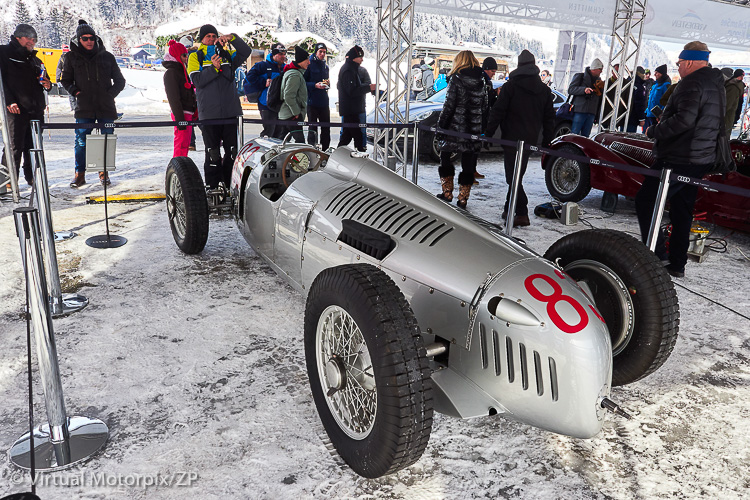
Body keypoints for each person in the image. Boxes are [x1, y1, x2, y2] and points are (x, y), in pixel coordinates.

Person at [635, 41, 724, 278]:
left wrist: (654, 131)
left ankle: (656, 257)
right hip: (701, 156)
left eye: (680, 63)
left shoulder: (692, 82)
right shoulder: (716, 83)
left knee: (646, 201)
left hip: (679, 156)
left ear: (692, 61)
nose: (679, 67)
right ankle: (677, 263)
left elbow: (684, 121)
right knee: (682, 209)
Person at [485, 49, 554, 227]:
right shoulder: (544, 90)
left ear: (519, 65)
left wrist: (489, 133)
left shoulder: (510, 87)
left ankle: (522, 213)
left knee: (512, 178)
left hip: (511, 138)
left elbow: (498, 111)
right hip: (530, 139)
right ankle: (509, 208)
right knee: (517, 176)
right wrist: (547, 140)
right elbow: (549, 118)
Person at [60, 20, 125, 187]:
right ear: (78, 40)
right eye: (85, 38)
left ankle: (104, 173)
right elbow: (65, 80)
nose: (89, 41)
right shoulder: (71, 57)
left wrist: (109, 95)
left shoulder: (107, 56)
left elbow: (120, 81)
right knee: (81, 141)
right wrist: (76, 92)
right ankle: (79, 174)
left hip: (106, 108)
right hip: (83, 108)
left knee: (106, 140)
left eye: (91, 38)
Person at [187, 24, 251, 189]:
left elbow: (246, 52)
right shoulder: (195, 56)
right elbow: (197, 81)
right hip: (209, 115)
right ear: (202, 39)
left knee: (232, 153)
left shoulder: (227, 55)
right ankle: (213, 187)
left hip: (231, 113)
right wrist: (214, 69)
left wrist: (232, 37)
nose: (212, 39)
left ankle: (230, 186)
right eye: (208, 36)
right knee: (212, 154)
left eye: (214, 36)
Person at [434, 50, 487, 209]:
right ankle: (463, 198)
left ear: (459, 62)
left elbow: (448, 106)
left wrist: (441, 126)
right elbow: (484, 107)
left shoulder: (456, 79)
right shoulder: (481, 80)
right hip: (473, 129)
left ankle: (447, 192)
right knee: (468, 163)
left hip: (454, 128)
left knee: (445, 157)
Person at [0, 24, 51, 188]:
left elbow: (47, 81)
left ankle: (32, 177)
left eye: (34, 38)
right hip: (14, 109)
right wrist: (8, 100)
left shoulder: (35, 59)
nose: (32, 41)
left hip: (35, 109)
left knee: (34, 146)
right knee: (14, 146)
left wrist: (48, 84)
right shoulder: (3, 53)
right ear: (17, 37)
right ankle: (7, 181)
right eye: (28, 37)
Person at [337, 46, 376, 152]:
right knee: (357, 136)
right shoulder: (348, 70)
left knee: (347, 136)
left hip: (352, 109)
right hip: (351, 110)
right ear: (354, 57)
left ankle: (337, 156)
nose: (362, 59)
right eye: (360, 57)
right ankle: (359, 156)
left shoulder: (352, 69)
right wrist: (369, 88)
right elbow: (352, 91)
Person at [244, 42, 286, 139]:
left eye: (284, 54)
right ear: (273, 54)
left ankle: (276, 153)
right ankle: (266, 152)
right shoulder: (262, 66)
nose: (283, 57)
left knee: (280, 132)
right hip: (265, 104)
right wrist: (264, 82)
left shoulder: (284, 68)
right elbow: (249, 77)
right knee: (269, 131)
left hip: (280, 104)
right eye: (280, 54)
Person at [163, 40, 197, 158]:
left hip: (187, 112)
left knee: (185, 143)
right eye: (184, 55)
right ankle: (178, 166)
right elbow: (173, 98)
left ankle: (182, 164)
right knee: (181, 143)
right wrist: (179, 119)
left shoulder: (181, 71)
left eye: (187, 55)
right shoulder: (171, 73)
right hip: (181, 113)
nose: (186, 58)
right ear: (177, 56)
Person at [278, 46, 310, 143]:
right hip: (291, 115)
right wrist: (296, 112)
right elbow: (288, 96)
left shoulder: (294, 72)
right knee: (300, 143)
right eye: (307, 60)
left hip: (287, 114)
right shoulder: (295, 75)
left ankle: (277, 157)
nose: (309, 62)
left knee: (282, 141)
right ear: (301, 61)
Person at [304, 42, 330, 149]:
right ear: (316, 52)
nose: (322, 54)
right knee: (312, 129)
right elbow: (303, 83)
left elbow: (327, 82)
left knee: (326, 128)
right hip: (312, 102)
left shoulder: (325, 66)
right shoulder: (309, 64)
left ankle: (325, 149)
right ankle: (312, 149)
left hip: (323, 101)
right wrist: (314, 85)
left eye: (324, 52)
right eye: (320, 52)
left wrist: (327, 84)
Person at [568, 58, 604, 136]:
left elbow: (600, 98)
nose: (601, 71)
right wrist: (584, 90)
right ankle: (571, 148)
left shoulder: (599, 81)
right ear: (594, 68)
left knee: (585, 136)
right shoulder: (580, 76)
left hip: (591, 112)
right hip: (580, 110)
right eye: (600, 69)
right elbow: (571, 89)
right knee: (574, 134)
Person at [644, 64, 670, 129]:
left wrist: (661, 115)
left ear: (662, 74)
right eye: (654, 73)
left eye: (657, 73)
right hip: (649, 114)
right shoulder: (655, 85)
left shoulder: (666, 86)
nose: (655, 75)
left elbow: (667, 101)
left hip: (656, 117)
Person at [625, 66, 648, 133]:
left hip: (623, 115)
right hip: (633, 117)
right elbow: (639, 103)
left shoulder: (627, 83)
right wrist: (641, 118)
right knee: (629, 137)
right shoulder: (639, 87)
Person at [725, 68, 745, 136]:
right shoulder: (736, 86)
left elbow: (727, 104)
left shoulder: (733, 87)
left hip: (726, 116)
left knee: (723, 136)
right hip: (730, 115)